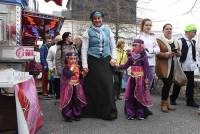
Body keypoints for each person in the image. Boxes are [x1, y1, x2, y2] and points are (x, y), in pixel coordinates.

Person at [81, 10, 117, 120]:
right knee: (93, 86)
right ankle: (92, 111)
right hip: (93, 60)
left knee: (107, 84)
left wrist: (114, 58)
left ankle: (108, 111)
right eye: (95, 18)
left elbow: (113, 46)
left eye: (99, 18)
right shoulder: (87, 32)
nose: (97, 20)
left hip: (106, 60)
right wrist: (85, 65)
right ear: (92, 20)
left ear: (102, 18)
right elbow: (84, 49)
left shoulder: (108, 30)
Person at [116, 39, 152, 120]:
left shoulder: (144, 57)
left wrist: (147, 79)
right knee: (130, 96)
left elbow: (146, 69)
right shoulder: (131, 57)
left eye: (136, 45)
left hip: (140, 81)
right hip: (132, 80)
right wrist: (117, 65)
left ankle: (140, 113)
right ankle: (130, 113)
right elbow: (125, 66)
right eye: (133, 45)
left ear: (141, 47)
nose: (134, 47)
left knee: (139, 96)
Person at [170, 24, 199, 107]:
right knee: (178, 83)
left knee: (191, 85)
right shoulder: (180, 41)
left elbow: (194, 54)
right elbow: (177, 53)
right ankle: (173, 98)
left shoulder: (193, 42)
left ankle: (190, 101)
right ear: (189, 32)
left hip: (191, 66)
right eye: (194, 32)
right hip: (182, 66)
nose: (195, 33)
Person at [156, 23, 181, 112]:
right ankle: (163, 103)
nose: (169, 30)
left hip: (172, 65)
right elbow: (157, 53)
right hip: (163, 65)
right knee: (167, 83)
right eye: (167, 29)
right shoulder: (158, 40)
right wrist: (166, 54)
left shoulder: (175, 40)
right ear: (163, 30)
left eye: (170, 29)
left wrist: (178, 53)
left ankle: (165, 102)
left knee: (169, 84)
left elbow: (179, 52)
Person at [60, 52, 87, 122]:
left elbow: (80, 77)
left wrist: (83, 73)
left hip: (76, 87)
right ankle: (68, 116)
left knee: (76, 100)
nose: (73, 61)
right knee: (68, 102)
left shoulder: (78, 67)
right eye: (71, 59)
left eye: (75, 59)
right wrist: (72, 68)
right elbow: (68, 74)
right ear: (67, 60)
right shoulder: (65, 69)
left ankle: (77, 114)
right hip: (68, 88)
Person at [47, 35, 62, 99]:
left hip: (64, 69)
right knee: (56, 83)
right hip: (55, 69)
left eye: (60, 40)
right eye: (57, 40)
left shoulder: (64, 47)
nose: (58, 41)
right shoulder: (52, 48)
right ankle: (57, 95)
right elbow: (49, 59)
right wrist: (50, 68)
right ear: (55, 41)